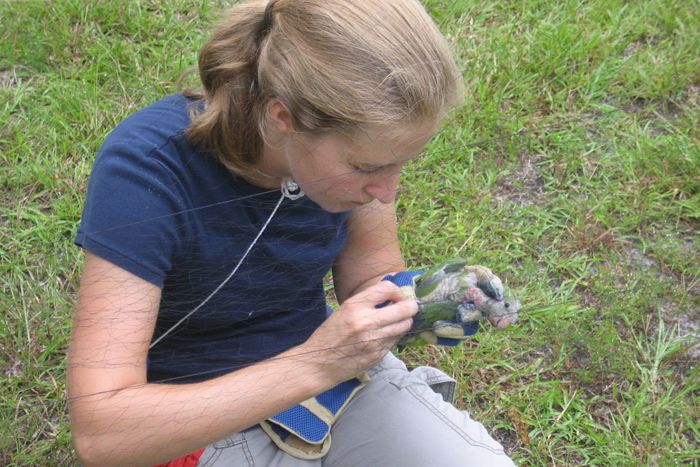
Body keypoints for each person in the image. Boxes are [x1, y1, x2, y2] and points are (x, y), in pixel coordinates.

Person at [67, 0, 515, 465]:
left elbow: (371, 277)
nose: (387, 191)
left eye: (403, 163)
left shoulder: (353, 159)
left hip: (332, 393)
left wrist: (426, 299)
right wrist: (317, 362)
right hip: (195, 421)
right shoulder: (147, 170)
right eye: (368, 166)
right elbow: (104, 434)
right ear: (284, 118)